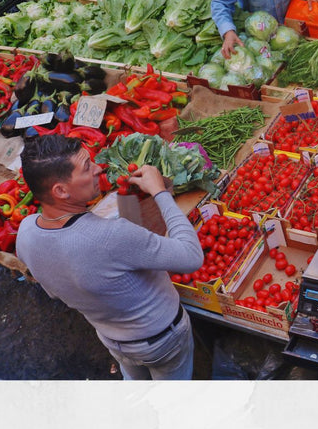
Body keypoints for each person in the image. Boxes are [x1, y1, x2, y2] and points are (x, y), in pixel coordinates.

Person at [14, 135, 204, 380]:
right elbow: (191, 256)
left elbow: (54, 290)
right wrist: (160, 192)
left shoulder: (26, 232)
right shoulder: (110, 236)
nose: (98, 169)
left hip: (112, 339)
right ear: (60, 191)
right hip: (161, 340)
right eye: (86, 168)